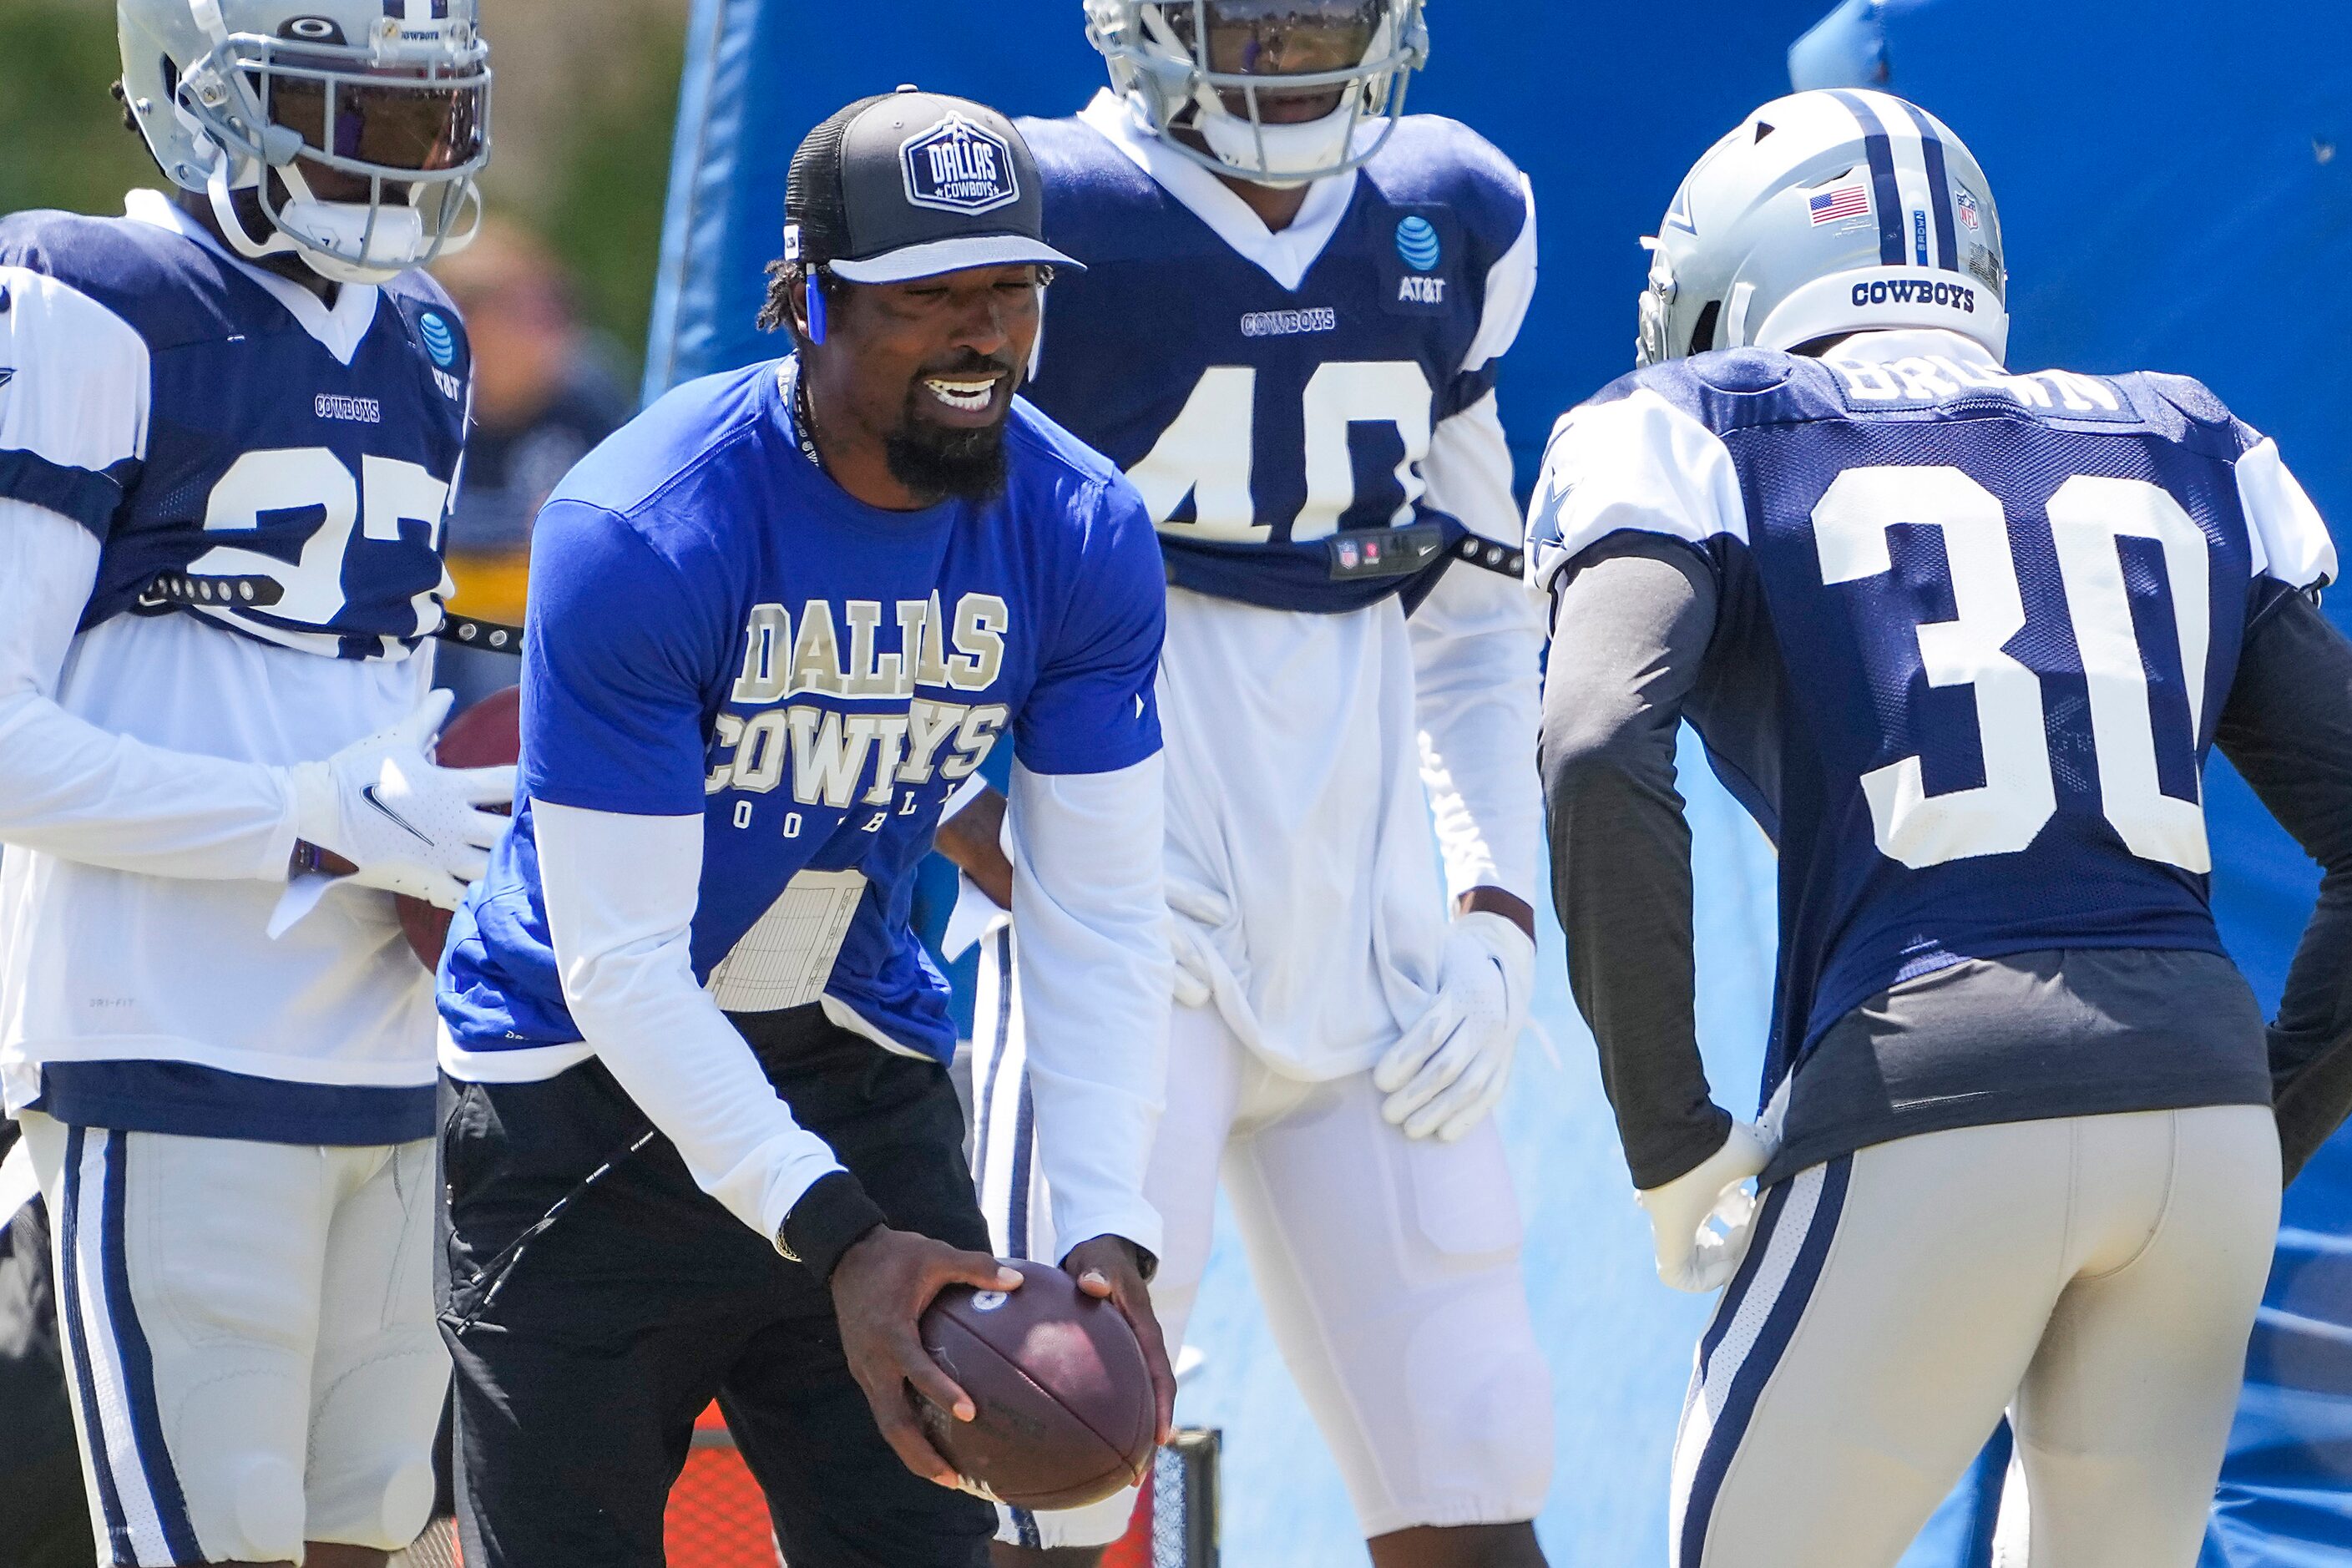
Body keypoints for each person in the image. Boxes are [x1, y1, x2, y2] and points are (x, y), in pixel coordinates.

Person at [1531, 88, 2352, 1568]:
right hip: (2200, 1119)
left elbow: (1595, 738)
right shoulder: (2184, 436)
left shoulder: (1698, 425)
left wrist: (1670, 1136)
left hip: (1925, 1091)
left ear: (1736, 276)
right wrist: (2256, 1112)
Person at [433, 89, 1178, 1568]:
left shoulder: (1082, 525)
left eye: (1009, 287)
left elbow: (1095, 909)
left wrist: (1105, 1234)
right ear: (806, 300)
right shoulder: (644, 523)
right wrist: (841, 1239)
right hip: (579, 1089)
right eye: (927, 295)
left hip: (853, 1058)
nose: (980, 332)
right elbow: (625, 962)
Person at [936, 5, 1554, 1565]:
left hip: (1375, 943)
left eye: (1322, 11)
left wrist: (1495, 903)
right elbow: (861, 589)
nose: (1291, 45)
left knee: (1474, 1454)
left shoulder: (1450, 210)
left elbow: (1477, 625)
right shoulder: (1033, 213)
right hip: (1127, 951)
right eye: (1250, 13)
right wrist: (1014, 856)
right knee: (1052, 1450)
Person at [0, 1, 507, 1564]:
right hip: (167, 1042)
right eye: (349, 115)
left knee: (376, 1540)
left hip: (397, 1062)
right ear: (201, 89)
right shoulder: (85, 301)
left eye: (428, 120)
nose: (401, 161)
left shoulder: (427, 331)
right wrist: (312, 818)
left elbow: (373, 699)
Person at [428, 218, 631, 706]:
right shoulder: (421, 402)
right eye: (528, 314)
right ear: (464, 325)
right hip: (431, 647)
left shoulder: (590, 402)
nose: (555, 333)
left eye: (558, 310)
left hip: (545, 654)